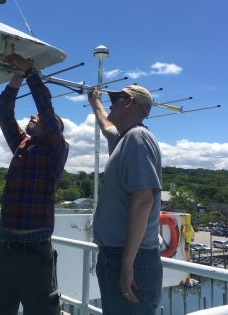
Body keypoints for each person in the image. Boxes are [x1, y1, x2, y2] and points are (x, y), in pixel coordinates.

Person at [0, 53, 69, 315]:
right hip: (2, 246)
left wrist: (30, 71)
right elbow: (5, 112)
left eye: (39, 119)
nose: (34, 115)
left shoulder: (57, 150)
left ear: (55, 130)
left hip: (34, 251)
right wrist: (17, 76)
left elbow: (46, 111)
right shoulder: (21, 144)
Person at [88, 85, 163, 315]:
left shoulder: (137, 138)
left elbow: (143, 201)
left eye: (115, 98)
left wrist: (127, 264)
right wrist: (95, 102)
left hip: (131, 258)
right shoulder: (123, 139)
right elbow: (105, 125)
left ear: (129, 102)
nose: (110, 103)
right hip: (119, 255)